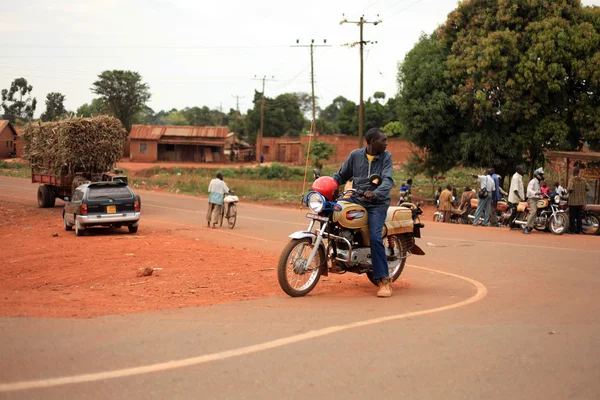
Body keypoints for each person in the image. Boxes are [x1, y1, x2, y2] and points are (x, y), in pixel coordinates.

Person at [333, 127, 394, 298]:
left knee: (375, 237)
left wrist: (376, 193)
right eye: (383, 140)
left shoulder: (385, 157)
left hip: (377, 203)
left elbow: (387, 180)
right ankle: (339, 254)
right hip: (357, 198)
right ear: (372, 142)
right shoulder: (355, 156)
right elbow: (341, 175)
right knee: (334, 212)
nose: (386, 143)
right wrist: (327, 184)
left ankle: (384, 280)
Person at [567, 166, 591, 234]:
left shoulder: (572, 180)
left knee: (572, 216)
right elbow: (588, 188)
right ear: (578, 172)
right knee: (579, 217)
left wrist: (567, 191)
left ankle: (572, 230)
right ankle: (579, 230)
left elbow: (569, 188)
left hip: (573, 201)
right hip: (581, 201)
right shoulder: (583, 180)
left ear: (573, 172)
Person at [523, 168, 544, 234]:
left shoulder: (538, 182)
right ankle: (526, 227)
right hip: (532, 199)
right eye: (541, 174)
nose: (542, 176)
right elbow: (529, 190)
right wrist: (535, 193)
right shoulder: (533, 181)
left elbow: (539, 193)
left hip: (537, 199)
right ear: (537, 175)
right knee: (533, 211)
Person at [508, 165, 525, 229]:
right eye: (521, 169)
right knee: (514, 212)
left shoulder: (519, 177)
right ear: (518, 170)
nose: (522, 170)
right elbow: (515, 190)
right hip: (514, 199)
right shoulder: (515, 177)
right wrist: (520, 198)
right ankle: (512, 225)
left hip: (518, 199)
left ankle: (516, 224)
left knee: (518, 212)